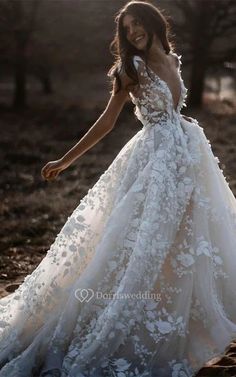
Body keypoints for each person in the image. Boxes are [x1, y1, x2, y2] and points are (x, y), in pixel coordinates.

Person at [1, 1, 236, 376]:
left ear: (153, 22)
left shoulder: (174, 61)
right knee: (140, 241)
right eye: (126, 29)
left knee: (186, 241)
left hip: (186, 156)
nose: (132, 33)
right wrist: (65, 160)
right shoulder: (132, 68)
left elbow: (172, 108)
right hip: (153, 163)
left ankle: (175, 313)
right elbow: (108, 122)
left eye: (137, 24)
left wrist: (179, 123)